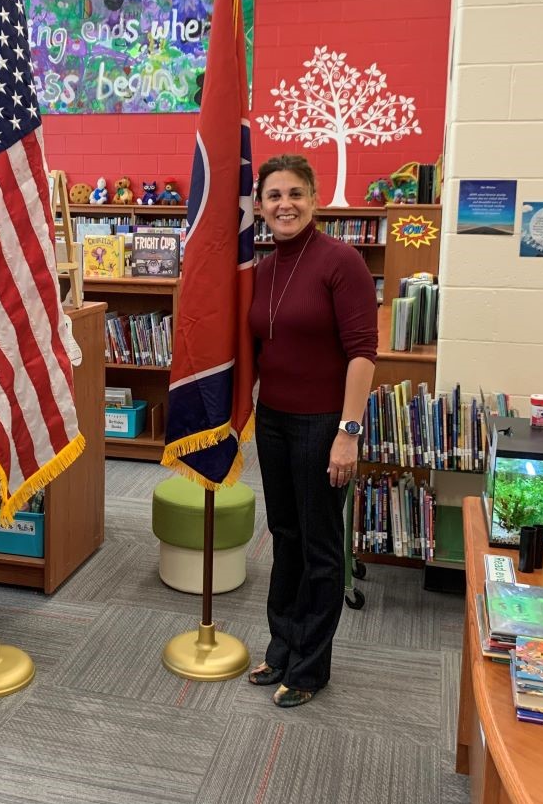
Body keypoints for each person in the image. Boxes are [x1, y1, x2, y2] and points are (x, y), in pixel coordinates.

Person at [247, 154, 378, 707]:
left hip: (325, 425)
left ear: (314, 198)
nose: (285, 204)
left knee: (322, 549)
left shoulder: (340, 261)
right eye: (274, 195)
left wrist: (347, 432)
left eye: (296, 193)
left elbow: (363, 356)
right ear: (260, 205)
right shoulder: (262, 267)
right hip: (272, 423)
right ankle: (282, 646)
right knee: (286, 540)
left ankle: (309, 668)